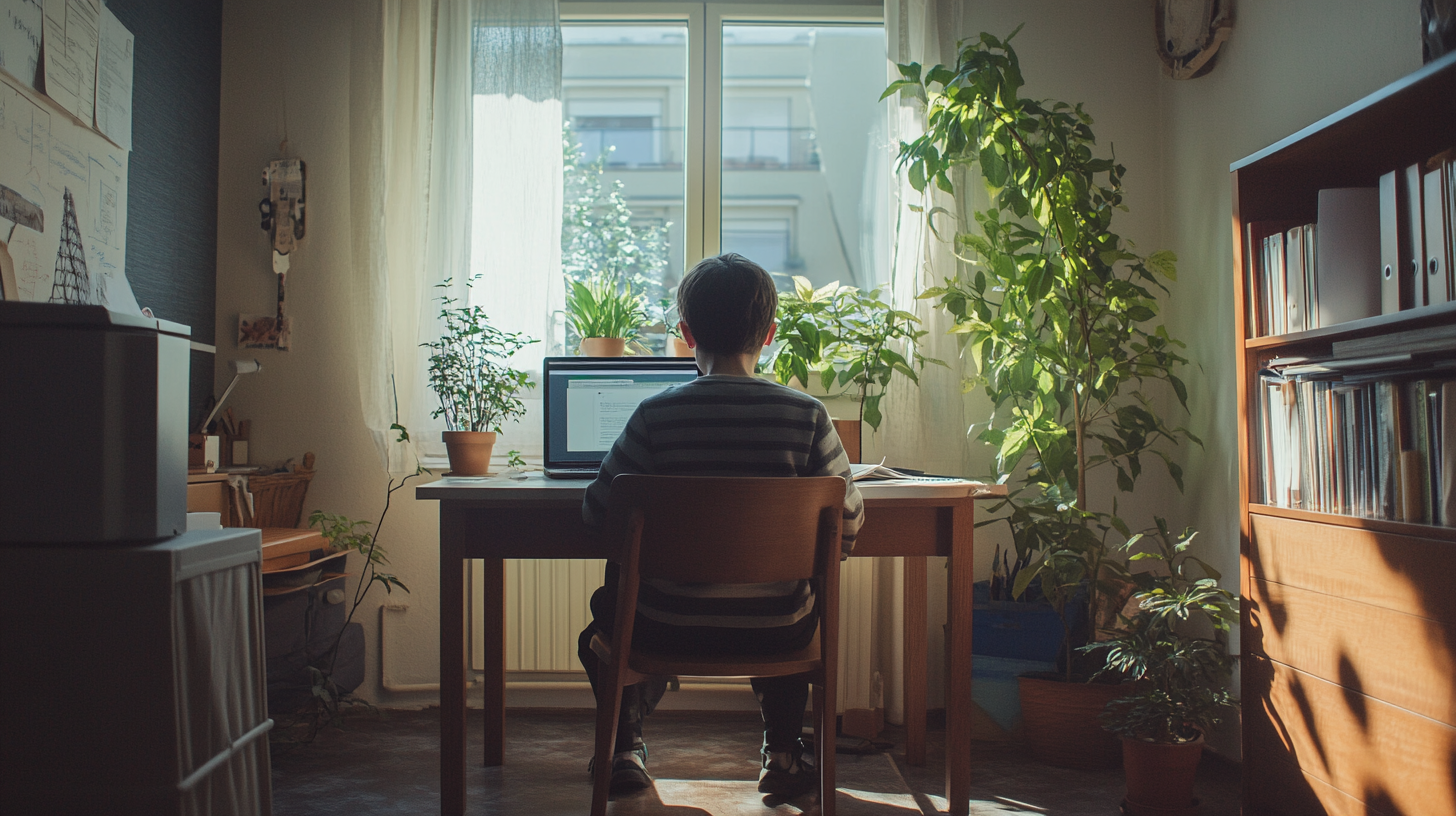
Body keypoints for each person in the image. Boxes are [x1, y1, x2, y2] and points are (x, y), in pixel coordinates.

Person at [578, 252, 865, 799]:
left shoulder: (653, 417)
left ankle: (622, 749)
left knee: (605, 612)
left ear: (685, 334)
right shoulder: (808, 418)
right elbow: (846, 528)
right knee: (791, 598)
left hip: (664, 627)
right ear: (772, 333)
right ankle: (783, 754)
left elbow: (600, 517)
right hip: (777, 631)